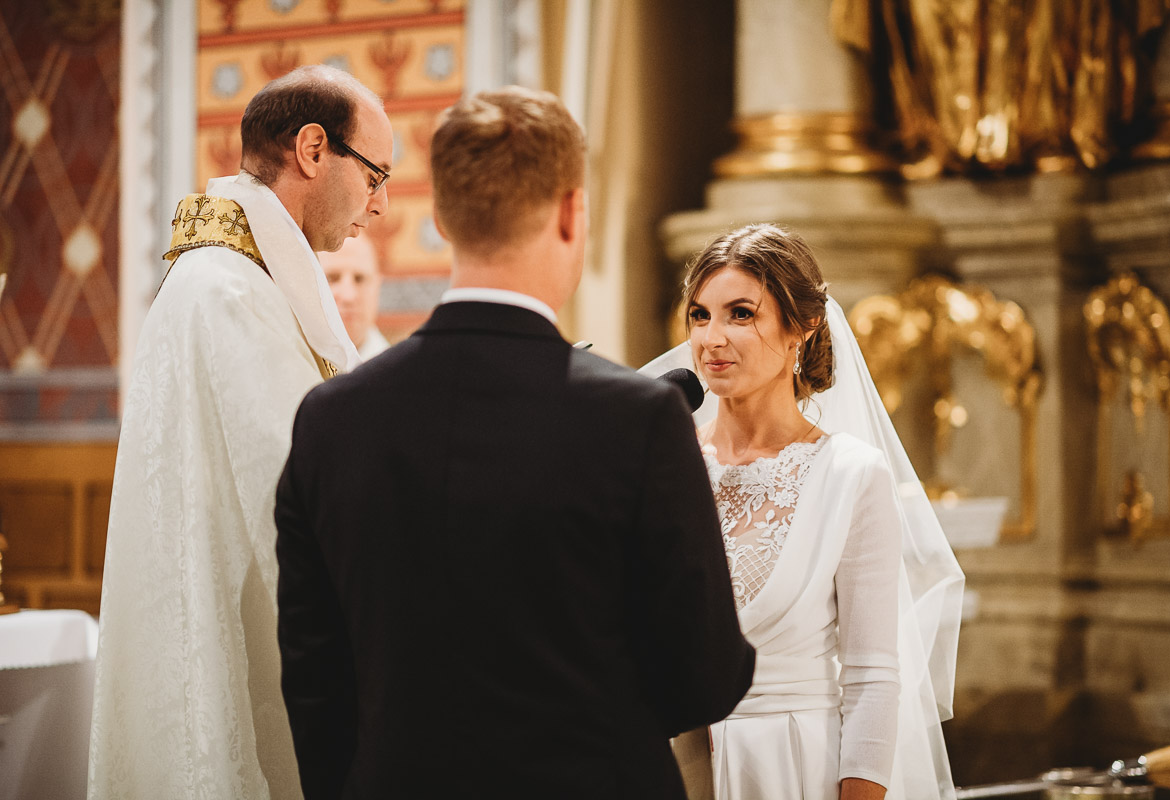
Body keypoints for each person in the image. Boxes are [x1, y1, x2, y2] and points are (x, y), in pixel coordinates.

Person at [274, 85, 756, 800]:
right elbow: (706, 676)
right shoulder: (637, 419)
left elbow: (312, 679)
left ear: (441, 218)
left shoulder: (331, 418)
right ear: (571, 213)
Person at [88, 65, 392, 800]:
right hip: (232, 632)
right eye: (376, 174)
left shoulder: (237, 279)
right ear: (313, 149)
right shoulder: (229, 290)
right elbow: (296, 493)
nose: (380, 205)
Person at [642, 224, 964, 800]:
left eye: (741, 314)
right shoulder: (659, 463)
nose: (712, 337)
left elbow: (872, 678)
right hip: (671, 766)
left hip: (792, 767)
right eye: (699, 315)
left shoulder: (850, 475)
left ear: (803, 327)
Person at [319, 234, 390, 359]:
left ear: (377, 286)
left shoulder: (402, 374)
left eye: (359, 279)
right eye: (332, 278)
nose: (348, 296)